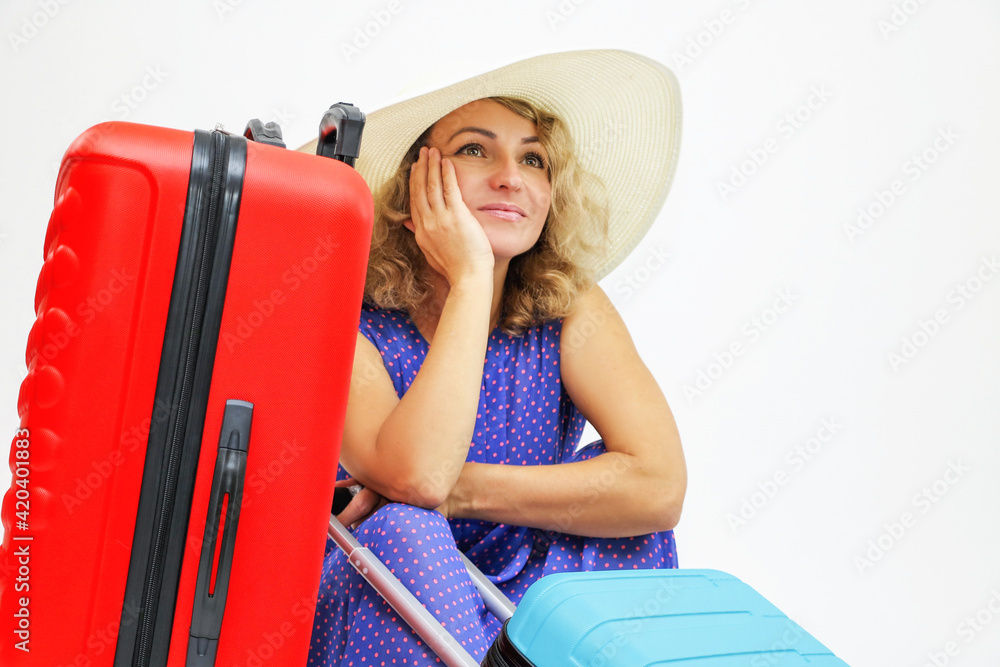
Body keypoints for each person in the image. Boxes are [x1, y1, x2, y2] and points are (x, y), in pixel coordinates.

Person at [302, 50, 686, 666]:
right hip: (395, 593)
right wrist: (472, 278)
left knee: (628, 520)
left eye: (533, 158)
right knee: (408, 527)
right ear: (407, 192)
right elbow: (417, 480)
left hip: (527, 597)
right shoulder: (350, 323)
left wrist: (463, 491)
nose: (511, 176)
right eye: (476, 150)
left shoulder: (570, 307)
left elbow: (659, 485)